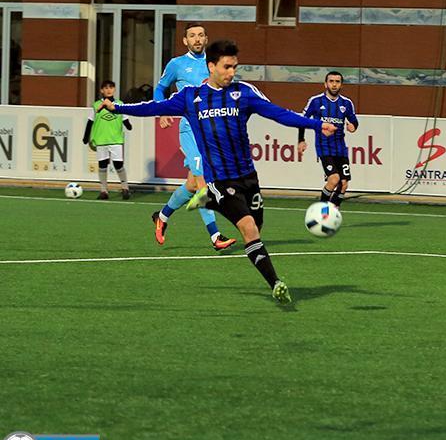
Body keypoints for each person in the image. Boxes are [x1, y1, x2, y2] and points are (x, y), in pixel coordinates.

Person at [102, 40, 337, 304]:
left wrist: (316, 125)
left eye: (234, 67)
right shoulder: (190, 97)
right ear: (211, 66)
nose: (231, 72)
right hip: (220, 179)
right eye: (227, 67)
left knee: (257, 226)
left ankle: (208, 200)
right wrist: (117, 107)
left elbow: (278, 114)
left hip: (248, 177)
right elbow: (151, 108)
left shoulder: (243, 93)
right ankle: (276, 284)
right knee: (249, 229)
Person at [152, 22, 235, 251]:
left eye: (200, 35)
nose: (197, 39)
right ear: (185, 41)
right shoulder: (177, 64)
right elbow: (160, 88)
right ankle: (215, 236)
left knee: (191, 184)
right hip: (190, 130)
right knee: (203, 183)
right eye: (192, 36)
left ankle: (162, 216)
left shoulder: (216, 63)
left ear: (206, 39)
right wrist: (162, 110)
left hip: (212, 132)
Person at [297, 71, 358, 207]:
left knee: (343, 184)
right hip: (324, 147)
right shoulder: (316, 101)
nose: (334, 84)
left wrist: (353, 126)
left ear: (341, 85)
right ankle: (322, 211)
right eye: (331, 81)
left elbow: (354, 121)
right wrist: (301, 140)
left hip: (341, 149)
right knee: (334, 179)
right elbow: (302, 120)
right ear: (325, 84)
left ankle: (333, 211)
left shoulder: (347, 103)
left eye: (337, 82)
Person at [82, 80, 132, 200]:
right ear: (101, 90)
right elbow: (90, 121)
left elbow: (125, 119)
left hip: (116, 140)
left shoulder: (119, 104)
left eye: (111, 87)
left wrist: (128, 125)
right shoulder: (96, 105)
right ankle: (104, 191)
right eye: (106, 88)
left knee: (118, 165)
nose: (109, 90)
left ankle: (125, 188)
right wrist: (86, 137)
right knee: (102, 165)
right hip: (101, 140)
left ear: (114, 89)